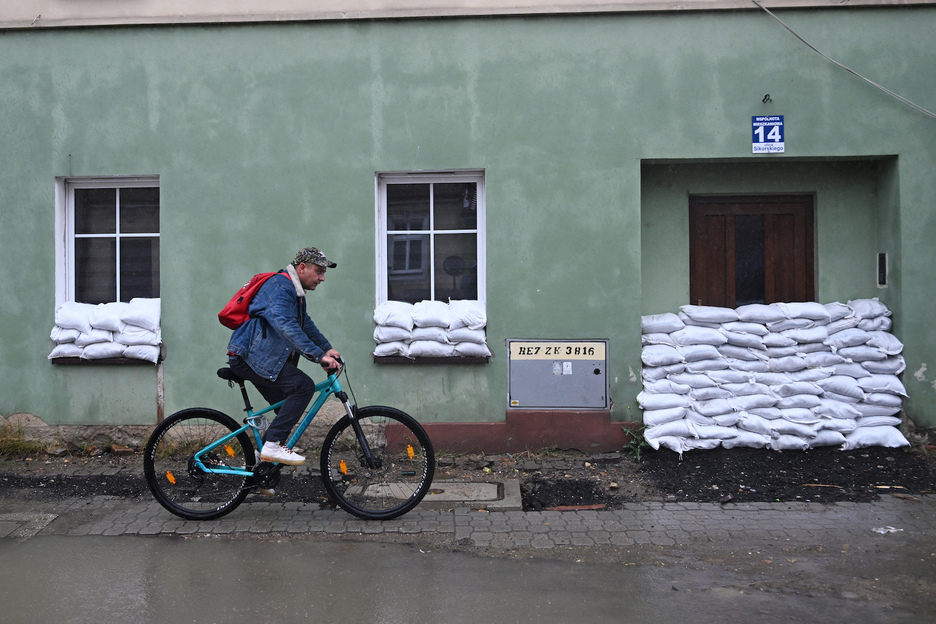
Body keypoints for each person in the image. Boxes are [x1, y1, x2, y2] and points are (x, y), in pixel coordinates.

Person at [227, 247, 341, 466]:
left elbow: (303, 323)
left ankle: (261, 469)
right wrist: (318, 356)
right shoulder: (281, 288)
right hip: (250, 357)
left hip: (258, 357)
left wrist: (326, 348)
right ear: (302, 268)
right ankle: (271, 447)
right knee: (303, 386)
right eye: (318, 271)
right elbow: (286, 326)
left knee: (285, 409)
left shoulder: (294, 291)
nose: (322, 278)